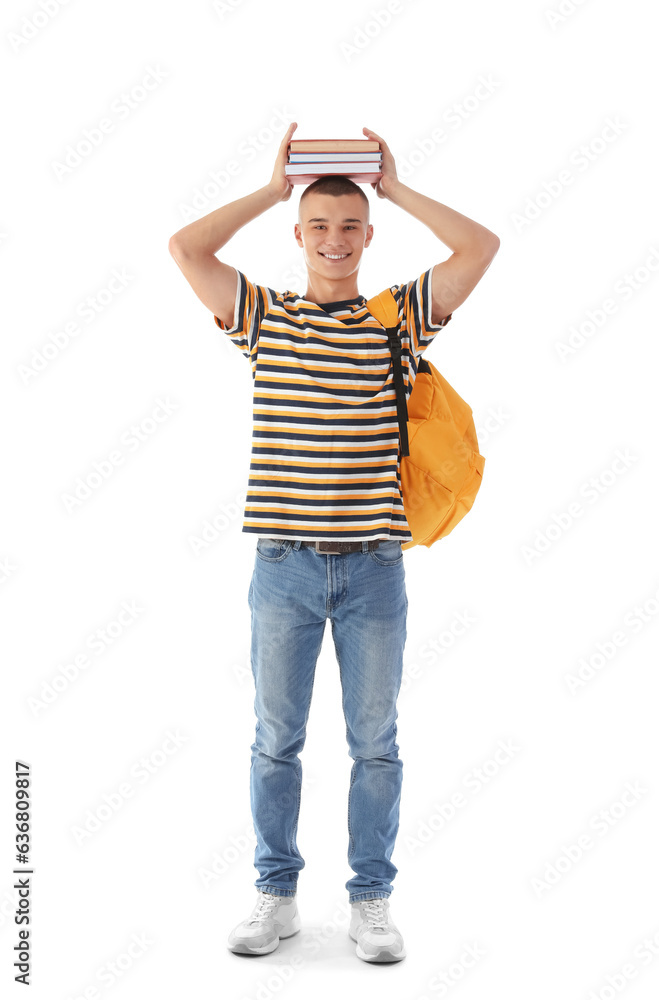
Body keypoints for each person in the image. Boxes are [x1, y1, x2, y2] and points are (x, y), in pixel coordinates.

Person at [168, 123, 499, 963]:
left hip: (372, 571)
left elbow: (479, 246)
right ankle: (274, 894)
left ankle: (370, 900)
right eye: (318, 225)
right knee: (274, 738)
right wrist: (272, 185)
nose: (334, 240)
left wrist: (394, 186)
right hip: (280, 566)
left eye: (349, 226)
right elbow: (185, 246)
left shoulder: (395, 325)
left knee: (374, 742)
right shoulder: (264, 322)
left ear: (368, 235)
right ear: (298, 234)